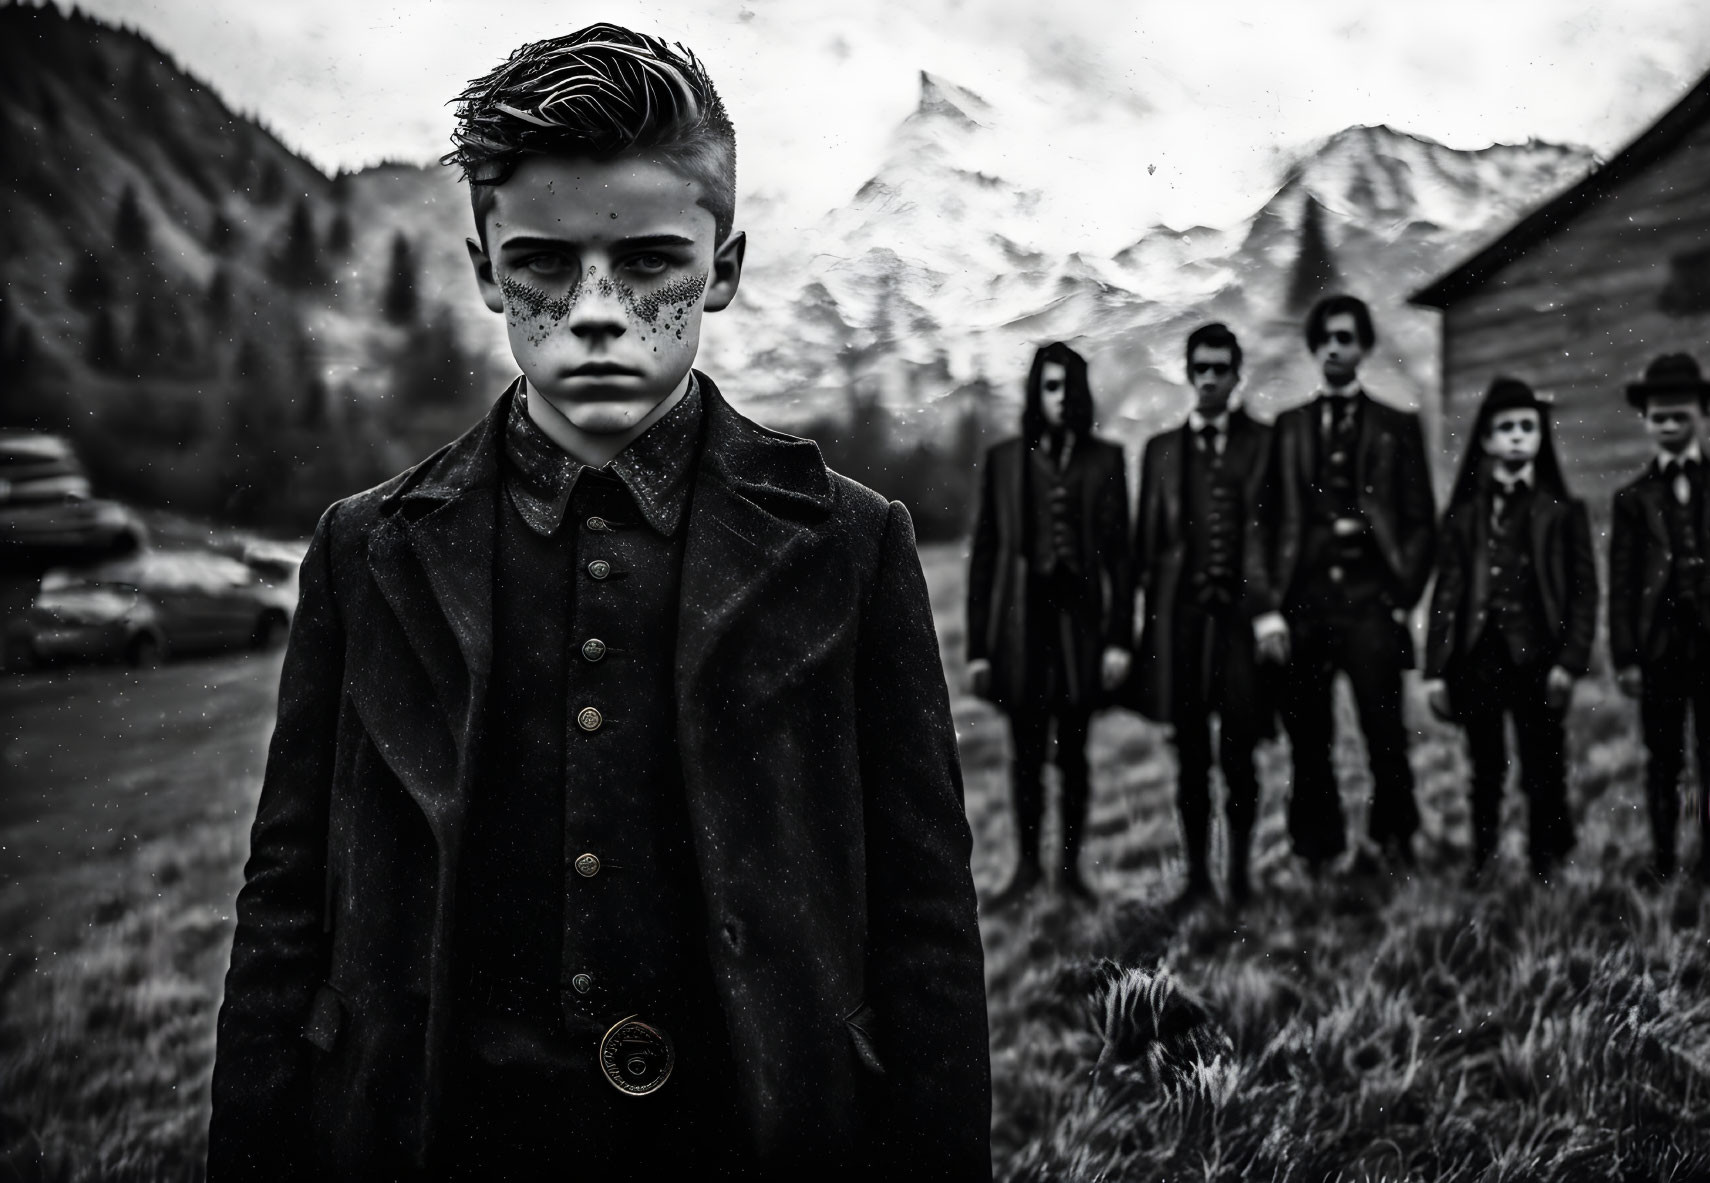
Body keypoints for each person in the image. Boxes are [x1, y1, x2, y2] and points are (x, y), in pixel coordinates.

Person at [208, 25, 990, 1180]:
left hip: (756, 1131)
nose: (594, 310)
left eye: (648, 264)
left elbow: (921, 917)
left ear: (722, 267)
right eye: (541, 263)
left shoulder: (847, 544)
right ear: (483, 269)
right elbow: (284, 908)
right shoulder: (365, 552)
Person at [1256, 294, 1436, 874]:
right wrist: (1269, 609)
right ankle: (1317, 849)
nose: (1336, 346)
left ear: (1363, 347)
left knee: (1385, 732)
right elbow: (1262, 524)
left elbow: (1419, 522)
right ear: (1314, 348)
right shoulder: (1287, 429)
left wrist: (1399, 597)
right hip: (1304, 609)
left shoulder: (1396, 425)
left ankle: (1396, 839)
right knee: (1309, 741)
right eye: (1326, 337)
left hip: (1370, 609)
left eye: (1347, 337)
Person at [966, 342, 1131, 905]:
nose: (1059, 398)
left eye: (1068, 386)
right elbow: (985, 556)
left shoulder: (1106, 460)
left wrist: (1117, 641)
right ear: (1037, 392)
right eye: (1050, 386)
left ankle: (1070, 872)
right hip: (1021, 628)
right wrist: (981, 649)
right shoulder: (1005, 460)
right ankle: (1027, 868)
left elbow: (1121, 560)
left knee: (1075, 753)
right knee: (1025, 753)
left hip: (1080, 628)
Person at [1424, 377, 1597, 883]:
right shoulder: (1463, 516)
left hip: (1538, 658)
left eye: (1528, 427)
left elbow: (1585, 592)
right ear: (1486, 441)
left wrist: (1570, 661)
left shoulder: (1563, 513)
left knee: (1543, 762)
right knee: (1485, 766)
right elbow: (1447, 594)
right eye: (1506, 428)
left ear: (1541, 438)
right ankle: (1483, 859)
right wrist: (1436, 670)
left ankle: (1546, 862)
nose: (1518, 436)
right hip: (1478, 657)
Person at [1609, 353, 1710, 886]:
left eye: (1680, 415)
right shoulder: (1632, 499)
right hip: (1659, 647)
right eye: (1659, 417)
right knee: (1662, 759)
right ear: (1646, 422)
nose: (1669, 425)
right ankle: (1662, 858)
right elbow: (1624, 585)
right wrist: (1626, 655)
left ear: (1701, 415)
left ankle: (1709, 860)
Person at [1129, 323, 1275, 907]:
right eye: (1201, 368)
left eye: (1221, 368)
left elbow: (1271, 530)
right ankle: (1196, 878)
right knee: (1190, 754)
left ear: (1238, 375)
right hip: (1181, 624)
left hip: (1241, 624)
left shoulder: (1263, 443)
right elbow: (1146, 546)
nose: (1210, 378)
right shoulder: (1161, 451)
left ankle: (1239, 875)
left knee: (1238, 752)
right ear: (1188, 373)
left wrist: (1266, 611)